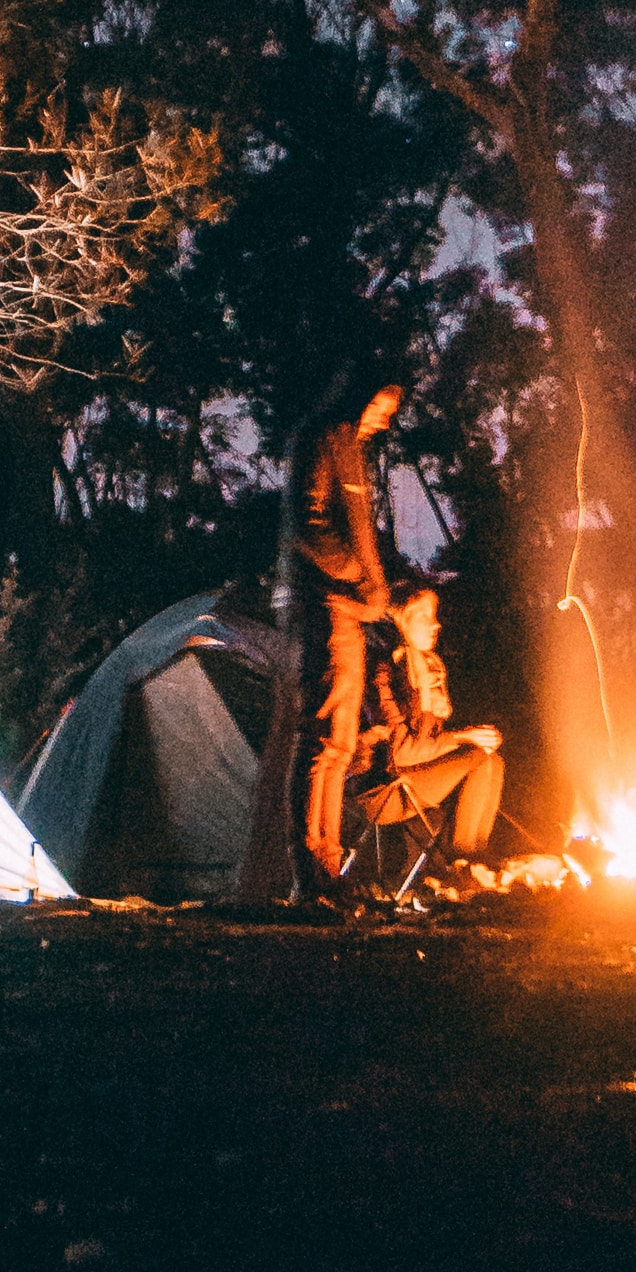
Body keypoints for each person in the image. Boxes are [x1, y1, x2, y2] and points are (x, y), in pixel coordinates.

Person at [283, 370, 407, 891]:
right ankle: (315, 867)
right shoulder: (325, 441)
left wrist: (380, 590)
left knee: (342, 738)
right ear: (361, 394)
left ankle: (328, 864)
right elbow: (309, 523)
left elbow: (359, 529)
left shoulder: (352, 450)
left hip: (353, 609)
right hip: (330, 605)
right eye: (381, 404)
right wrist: (357, 577)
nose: (385, 419)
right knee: (327, 741)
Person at [353, 585, 507, 865]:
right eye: (423, 616)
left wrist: (475, 736)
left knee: (492, 761)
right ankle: (464, 861)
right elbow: (401, 753)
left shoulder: (428, 671)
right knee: (479, 760)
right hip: (385, 788)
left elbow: (430, 744)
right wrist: (462, 737)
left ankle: (475, 854)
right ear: (401, 620)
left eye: (434, 615)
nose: (435, 624)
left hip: (415, 777)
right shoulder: (384, 673)